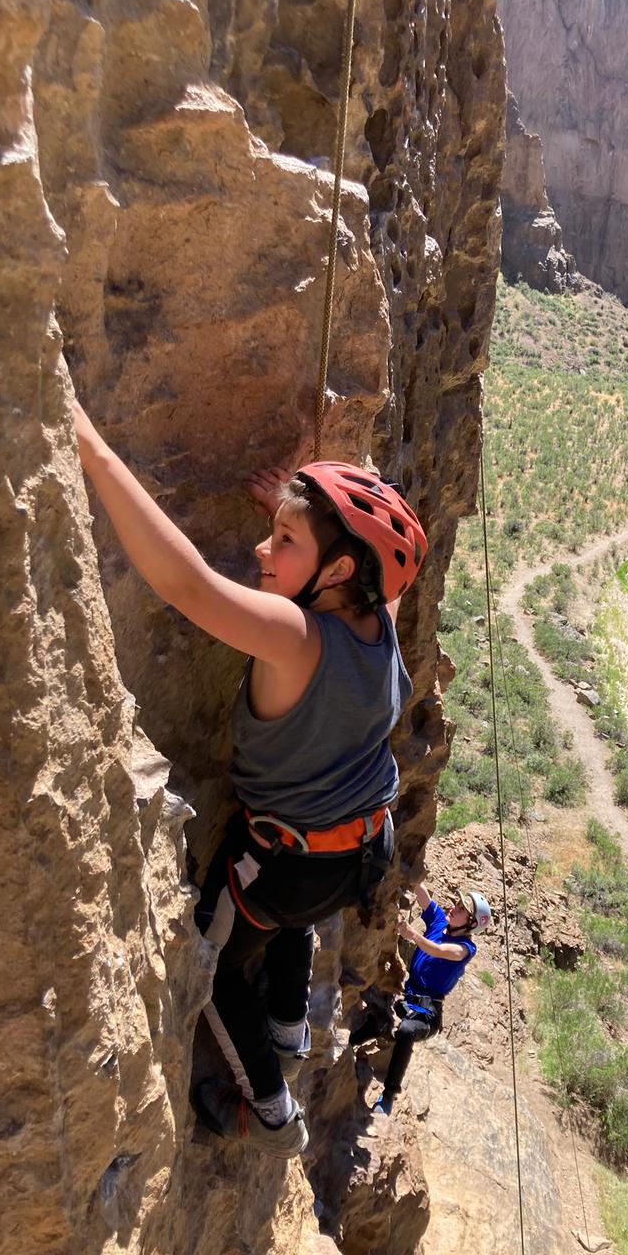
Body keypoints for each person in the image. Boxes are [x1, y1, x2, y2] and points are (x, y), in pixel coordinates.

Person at [71, 397, 427, 1157]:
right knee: (291, 919)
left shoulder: (296, 638)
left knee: (216, 957)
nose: (264, 550)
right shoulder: (381, 614)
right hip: (364, 845)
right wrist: (304, 519)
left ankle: (269, 1111)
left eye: (284, 541)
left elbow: (190, 586)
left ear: (336, 571)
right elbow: (372, 565)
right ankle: (292, 1029)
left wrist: (91, 448)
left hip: (287, 861)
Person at [350, 884, 491, 1115]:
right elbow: (424, 897)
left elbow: (439, 951)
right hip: (406, 997)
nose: (454, 908)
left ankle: (388, 1096)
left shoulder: (466, 948)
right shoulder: (439, 922)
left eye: (462, 909)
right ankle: (346, 1045)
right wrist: (412, 876)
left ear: (471, 923)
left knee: (406, 1031)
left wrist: (413, 935)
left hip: (428, 1014)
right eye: (458, 904)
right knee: (379, 1017)